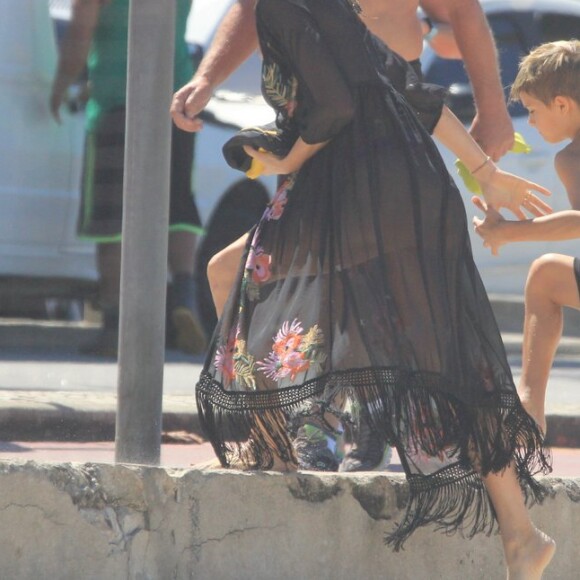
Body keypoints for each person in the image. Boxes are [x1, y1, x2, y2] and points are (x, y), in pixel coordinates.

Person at [193, 0, 556, 571]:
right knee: (449, 353)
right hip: (412, 190)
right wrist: (487, 175)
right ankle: (520, 530)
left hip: (347, 193)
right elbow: (414, 90)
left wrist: (285, 152)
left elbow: (333, 109)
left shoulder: (285, 7)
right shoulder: (332, 9)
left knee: (228, 274)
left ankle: (270, 444)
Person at [50, 0, 207, 357]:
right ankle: (185, 294)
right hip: (177, 99)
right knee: (178, 204)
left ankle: (115, 326)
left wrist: (60, 86)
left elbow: (79, 35)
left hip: (117, 102)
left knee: (112, 220)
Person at [474, 40, 580, 437]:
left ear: (562, 105)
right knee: (546, 278)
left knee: (544, 275)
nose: (530, 123)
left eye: (533, 112)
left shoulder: (571, 159)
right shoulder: (569, 158)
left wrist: (508, 232)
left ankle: (531, 405)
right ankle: (530, 407)